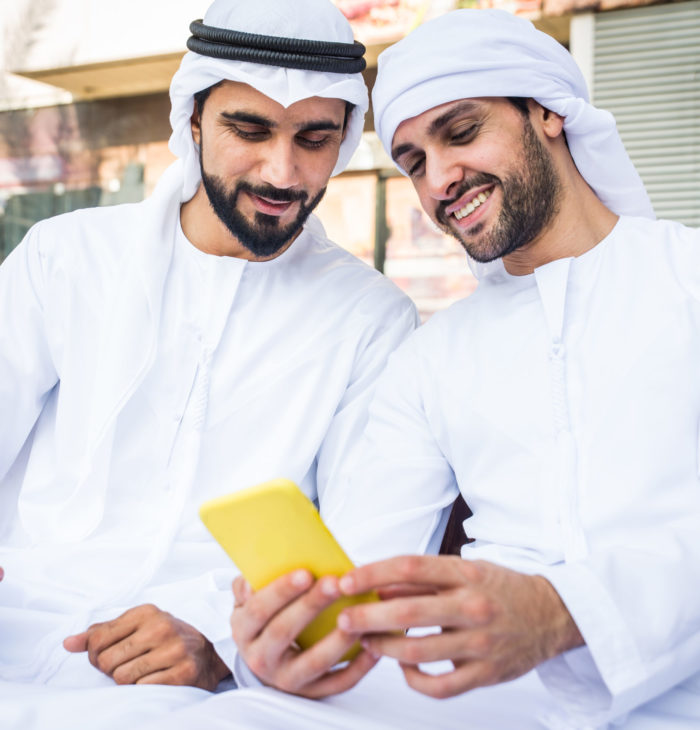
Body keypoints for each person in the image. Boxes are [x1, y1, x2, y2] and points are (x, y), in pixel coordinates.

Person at [227, 9, 700, 729]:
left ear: (545, 111)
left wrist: (564, 613)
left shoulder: (686, 279)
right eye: (413, 161)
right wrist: (292, 633)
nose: (440, 179)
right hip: (490, 704)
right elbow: (364, 567)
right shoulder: (429, 361)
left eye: (462, 131)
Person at [0, 0, 417, 719]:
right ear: (193, 120)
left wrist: (221, 643)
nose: (282, 171)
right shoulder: (66, 259)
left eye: (314, 138)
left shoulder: (372, 319)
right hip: (20, 631)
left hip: (218, 682)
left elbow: (368, 547)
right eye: (248, 130)